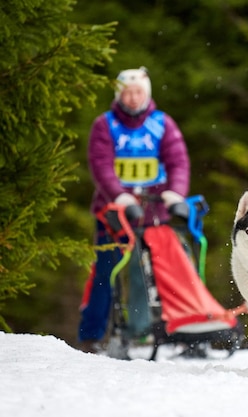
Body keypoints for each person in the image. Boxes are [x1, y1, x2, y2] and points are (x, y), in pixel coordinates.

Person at [78, 67, 190, 353]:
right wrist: (120, 196)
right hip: (114, 213)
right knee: (107, 272)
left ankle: (140, 332)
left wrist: (175, 193)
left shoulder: (162, 124)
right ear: (119, 95)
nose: (132, 98)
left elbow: (178, 161)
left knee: (146, 273)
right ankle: (93, 336)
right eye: (126, 93)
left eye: (137, 92)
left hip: (153, 214)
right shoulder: (105, 125)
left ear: (146, 93)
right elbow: (101, 166)